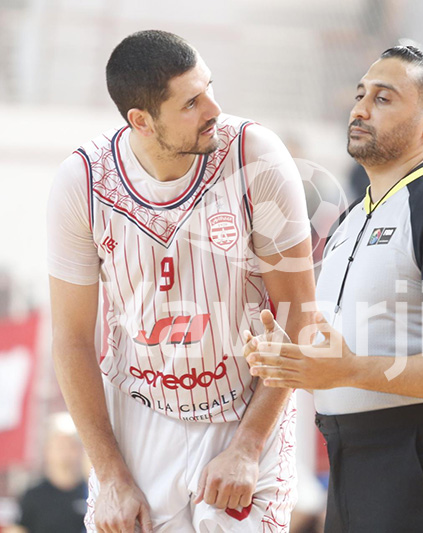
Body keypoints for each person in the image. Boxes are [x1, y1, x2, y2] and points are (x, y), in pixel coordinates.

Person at [47, 30, 316, 532]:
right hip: (139, 415)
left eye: (208, 87)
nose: (214, 108)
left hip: (245, 406)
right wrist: (110, 474)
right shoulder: (81, 181)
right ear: (141, 121)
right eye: (191, 103)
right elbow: (71, 339)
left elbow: (298, 314)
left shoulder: (255, 155)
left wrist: (249, 444)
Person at [245, 45, 423, 532]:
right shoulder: (352, 217)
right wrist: (293, 360)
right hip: (353, 457)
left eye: (383, 98)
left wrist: (349, 369)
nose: (360, 109)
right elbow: (350, 354)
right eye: (360, 95)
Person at [7, 413, 87, 533]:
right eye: (60, 446)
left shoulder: (90, 493)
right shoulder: (33, 495)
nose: (65, 452)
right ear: (48, 450)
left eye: (71, 445)